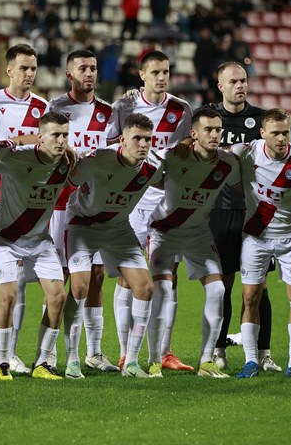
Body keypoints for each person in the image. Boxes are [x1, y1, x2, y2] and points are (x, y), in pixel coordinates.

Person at [105, 50, 193, 371]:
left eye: (166, 72)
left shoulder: (181, 110)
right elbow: (109, 147)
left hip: (167, 199)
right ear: (142, 74)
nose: (161, 77)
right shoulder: (123, 107)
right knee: (130, 277)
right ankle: (126, 352)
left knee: (169, 277)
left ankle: (164, 353)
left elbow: (186, 153)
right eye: (155, 72)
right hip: (133, 200)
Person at [0, 44, 48, 375]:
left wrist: (17, 142)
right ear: (9, 70)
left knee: (18, 281)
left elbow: (48, 145)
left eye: (34, 68)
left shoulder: (43, 106)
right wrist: (24, 140)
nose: (29, 74)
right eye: (24, 68)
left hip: (21, 205)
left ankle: (11, 354)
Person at [65, 113, 164, 379]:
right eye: (137, 139)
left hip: (118, 228)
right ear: (122, 139)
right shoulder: (98, 159)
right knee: (80, 287)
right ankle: (73, 358)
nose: (143, 144)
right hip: (83, 225)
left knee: (144, 287)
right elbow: (67, 182)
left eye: (147, 139)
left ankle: (131, 361)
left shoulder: (153, 168)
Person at [147, 105, 239, 378]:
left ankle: (207, 361)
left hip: (199, 233)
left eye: (218, 130)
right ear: (194, 133)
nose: (214, 135)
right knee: (162, 293)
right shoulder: (173, 156)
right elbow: (146, 174)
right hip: (165, 232)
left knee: (218, 291)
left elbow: (241, 182)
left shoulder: (228, 163)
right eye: (208, 130)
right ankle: (154, 362)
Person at [233, 108, 291, 380]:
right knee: (250, 297)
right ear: (263, 134)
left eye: (286, 132)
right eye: (275, 133)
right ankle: (250, 361)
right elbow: (215, 153)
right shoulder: (247, 152)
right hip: (256, 236)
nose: (282, 138)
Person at [208, 61, 282, 373]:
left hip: (255, 216)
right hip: (218, 213)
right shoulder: (207, 118)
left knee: (257, 287)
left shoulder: (261, 120)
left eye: (244, 80)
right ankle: (218, 349)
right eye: (234, 81)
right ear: (220, 85)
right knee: (222, 286)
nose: (240, 85)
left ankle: (263, 353)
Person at [48, 49, 118, 373]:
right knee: (62, 277)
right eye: (82, 68)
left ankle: (94, 352)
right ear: (69, 74)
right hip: (64, 204)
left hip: (98, 205)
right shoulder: (56, 109)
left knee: (98, 277)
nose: (89, 73)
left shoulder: (109, 112)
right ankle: (49, 352)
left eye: (92, 68)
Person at [0, 112, 73, 381]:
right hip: (6, 239)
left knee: (58, 297)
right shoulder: (17, 158)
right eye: (55, 135)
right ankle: (2, 363)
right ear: (41, 137)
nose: (61, 141)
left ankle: (42, 363)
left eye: (65, 135)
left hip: (39, 241)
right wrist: (18, 140)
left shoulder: (69, 162)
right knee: (9, 297)